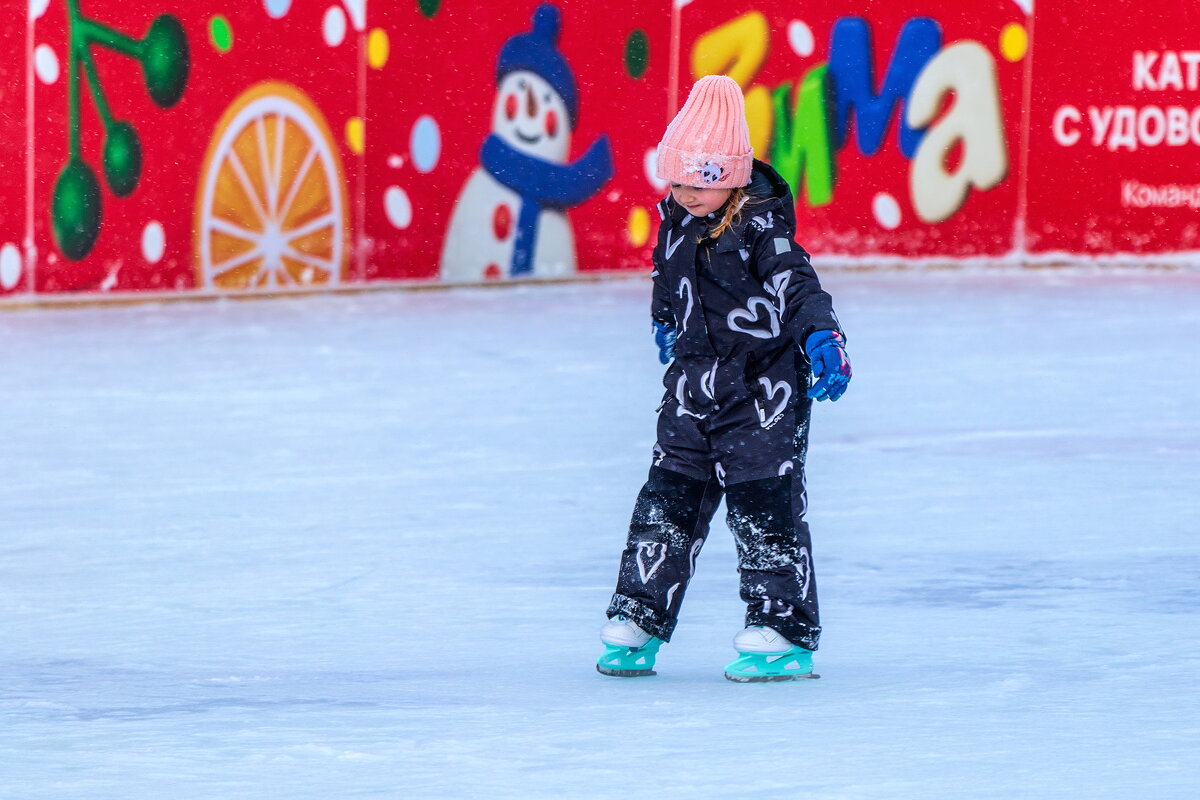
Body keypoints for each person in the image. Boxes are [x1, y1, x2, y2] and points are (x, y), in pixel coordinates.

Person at [597, 75, 852, 682]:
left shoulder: (763, 229)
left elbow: (799, 287)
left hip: (764, 392)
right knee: (666, 500)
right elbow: (666, 277)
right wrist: (665, 320)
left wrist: (822, 336)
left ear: (732, 177)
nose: (686, 193)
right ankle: (639, 615)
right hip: (692, 388)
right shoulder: (676, 220)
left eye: (701, 181)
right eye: (677, 180)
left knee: (765, 508)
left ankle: (782, 629)